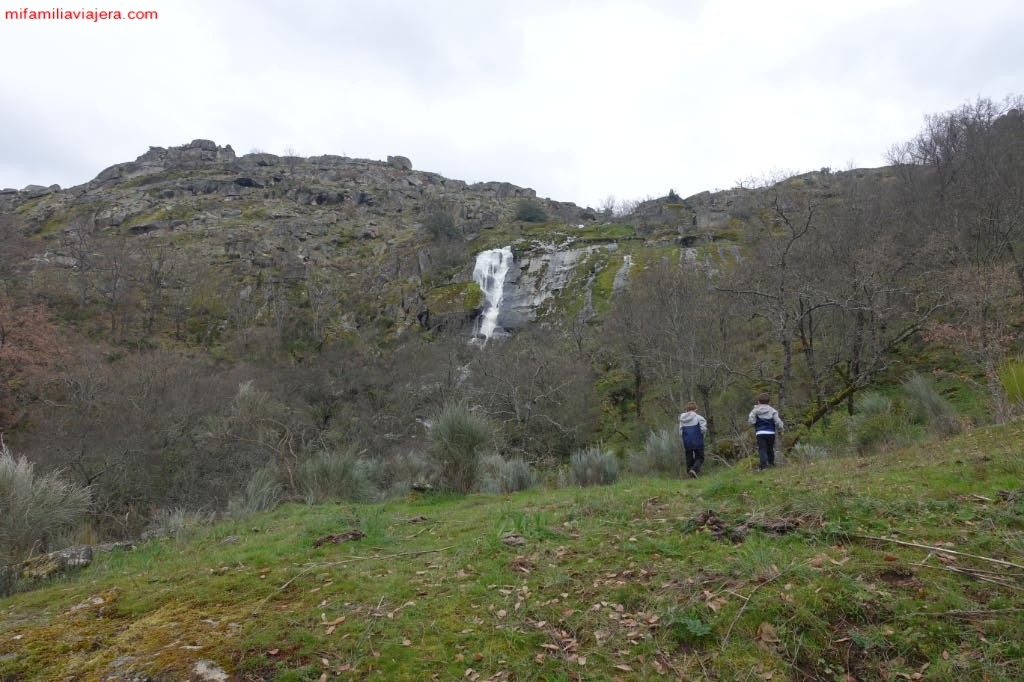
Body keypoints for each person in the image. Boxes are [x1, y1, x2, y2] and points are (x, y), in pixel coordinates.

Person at [748, 392, 784, 470]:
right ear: (769, 402)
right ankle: (771, 463)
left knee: (762, 448)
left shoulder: (755, 410)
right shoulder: (773, 410)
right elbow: (778, 422)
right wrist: (781, 430)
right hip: (771, 433)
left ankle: (763, 465)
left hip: (760, 433)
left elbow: (751, 421)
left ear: (758, 402)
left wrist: (754, 423)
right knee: (770, 448)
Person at [678, 400, 708, 478]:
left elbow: (680, 432)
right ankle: (694, 470)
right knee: (700, 457)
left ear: (686, 409)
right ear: (695, 409)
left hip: (687, 441)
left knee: (689, 458)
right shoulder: (699, 418)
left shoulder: (682, 420)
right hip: (697, 440)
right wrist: (702, 435)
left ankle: (689, 475)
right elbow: (703, 429)